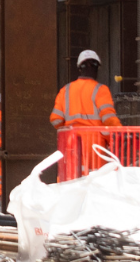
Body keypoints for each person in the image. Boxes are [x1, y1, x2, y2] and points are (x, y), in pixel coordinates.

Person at [50, 49, 120, 177]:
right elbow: (109, 119)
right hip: (95, 148)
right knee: (96, 182)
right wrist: (120, 135)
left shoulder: (65, 90)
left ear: (79, 68)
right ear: (97, 68)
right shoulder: (101, 90)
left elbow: (56, 119)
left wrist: (69, 128)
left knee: (71, 181)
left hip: (71, 145)